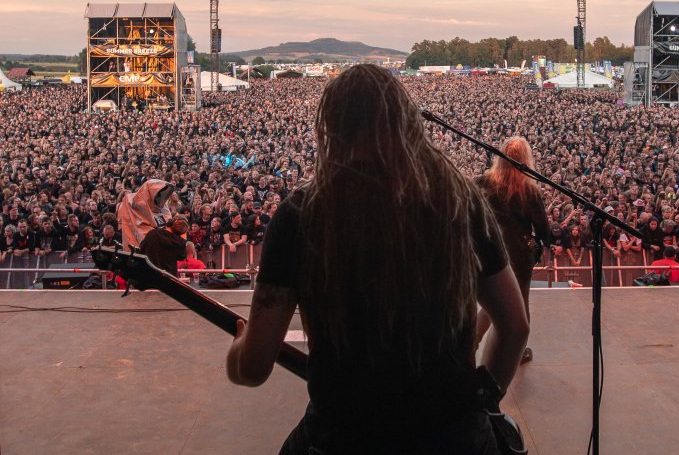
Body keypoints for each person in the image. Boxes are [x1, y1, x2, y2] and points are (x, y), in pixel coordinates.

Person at [225, 64, 528, 455]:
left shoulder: (302, 213)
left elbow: (253, 368)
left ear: (332, 128)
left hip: (340, 438)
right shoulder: (459, 200)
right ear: (406, 122)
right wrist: (484, 397)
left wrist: (238, 348)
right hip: (455, 438)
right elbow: (515, 326)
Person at [474, 136, 549, 364]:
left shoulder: (482, 182)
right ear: (525, 160)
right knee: (519, 304)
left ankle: (471, 343)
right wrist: (535, 247)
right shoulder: (529, 190)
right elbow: (544, 231)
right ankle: (517, 352)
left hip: (487, 250)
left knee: (491, 302)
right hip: (517, 255)